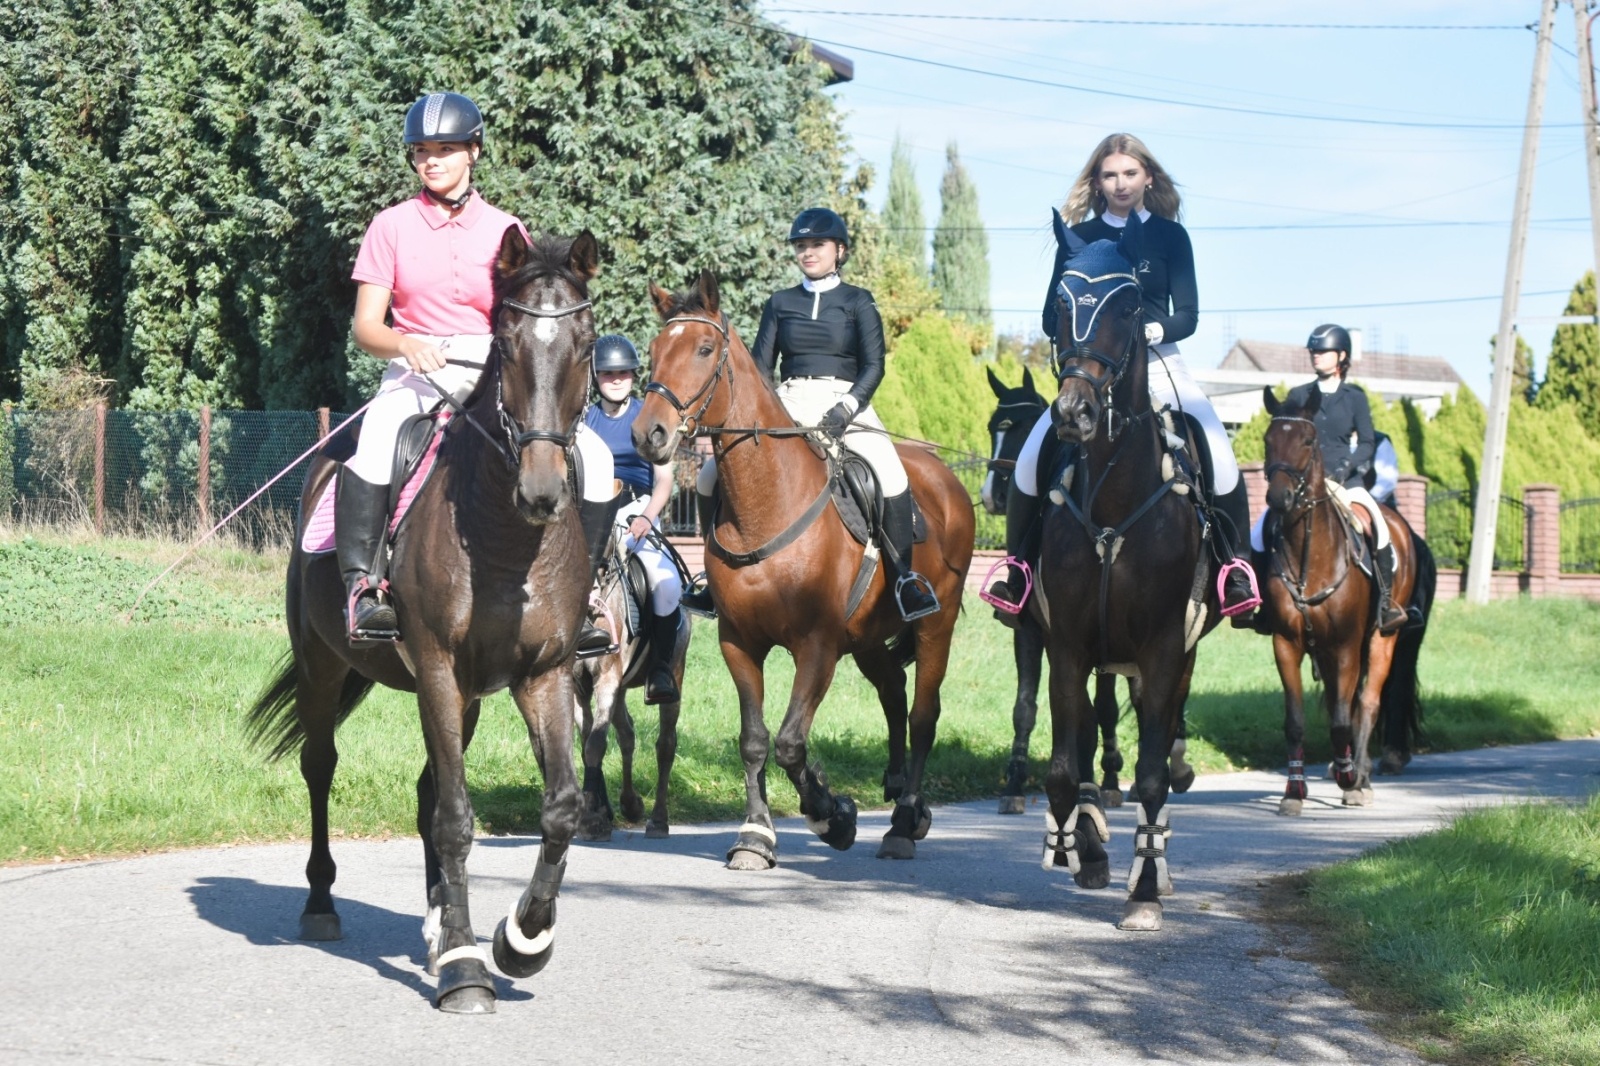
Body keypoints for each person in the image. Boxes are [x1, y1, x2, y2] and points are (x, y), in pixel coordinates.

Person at [343, 91, 615, 653]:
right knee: (372, 447)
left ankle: (585, 594)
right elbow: (365, 327)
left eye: (445, 149)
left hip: (496, 367)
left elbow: (530, 316)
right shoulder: (389, 226)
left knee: (598, 455)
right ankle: (363, 588)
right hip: (416, 369)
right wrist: (404, 342)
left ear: (474, 151)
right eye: (421, 151)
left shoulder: (506, 229)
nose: (432, 160)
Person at [986, 133, 1258, 626]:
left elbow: (1189, 315)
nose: (1121, 183)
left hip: (1159, 362)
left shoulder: (1171, 237)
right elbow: (1053, 313)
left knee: (1217, 447)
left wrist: (1151, 329)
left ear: (1147, 177)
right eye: (1110, 175)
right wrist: (1076, 345)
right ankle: (1019, 569)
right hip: (1091, 370)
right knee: (1030, 459)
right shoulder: (1080, 238)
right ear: (1097, 182)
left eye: (1130, 173)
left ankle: (1233, 569)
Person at [681, 207, 939, 622]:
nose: (808, 252)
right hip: (789, 400)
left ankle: (903, 580)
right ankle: (713, 578)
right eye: (801, 246)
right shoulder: (780, 303)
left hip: (846, 401)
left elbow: (875, 365)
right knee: (710, 475)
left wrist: (848, 407)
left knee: (891, 473)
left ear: (840, 250)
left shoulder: (859, 301)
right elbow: (762, 368)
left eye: (817, 244)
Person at [1249, 324, 1407, 632]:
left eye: (1322, 351)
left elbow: (1366, 443)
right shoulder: (1298, 395)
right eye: (1314, 351)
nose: (1316, 356)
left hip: (1346, 481)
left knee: (1380, 527)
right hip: (1303, 483)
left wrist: (1345, 468)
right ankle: (1264, 608)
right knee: (1258, 532)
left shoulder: (1354, 398)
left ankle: (1386, 603)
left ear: (1341, 356)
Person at [584, 334, 684, 703]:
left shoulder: (649, 416)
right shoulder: (584, 420)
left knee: (666, 582)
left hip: (636, 510)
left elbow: (664, 481)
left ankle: (659, 668)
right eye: (608, 373)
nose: (616, 379)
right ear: (597, 377)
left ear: (633, 375)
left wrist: (646, 517)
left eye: (623, 372)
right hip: (592, 509)